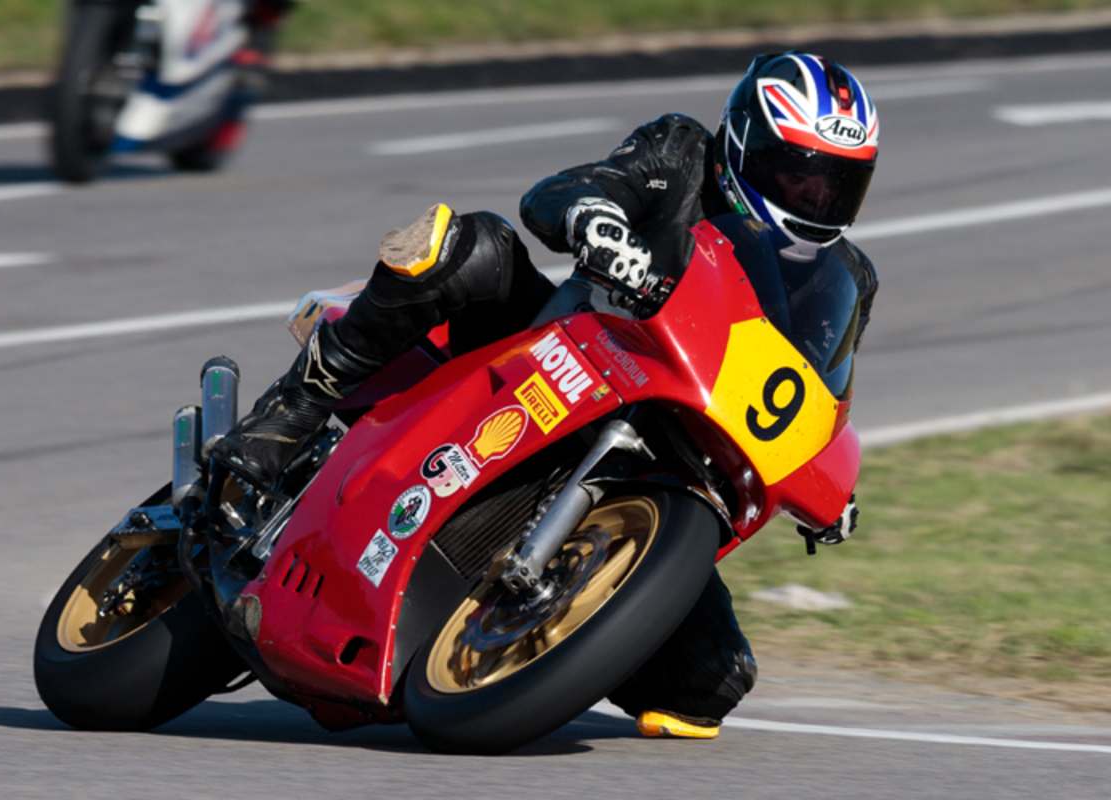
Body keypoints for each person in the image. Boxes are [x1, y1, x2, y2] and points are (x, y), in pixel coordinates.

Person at [212, 51, 879, 739]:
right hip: (557, 349)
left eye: (835, 184)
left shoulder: (850, 273)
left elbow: (818, 386)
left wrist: (822, 476)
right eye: (795, 173)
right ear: (742, 144)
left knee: (712, 680)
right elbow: (560, 192)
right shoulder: (683, 153)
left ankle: (527, 634)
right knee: (470, 246)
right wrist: (596, 219)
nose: (814, 197)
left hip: (674, 437)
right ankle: (287, 418)